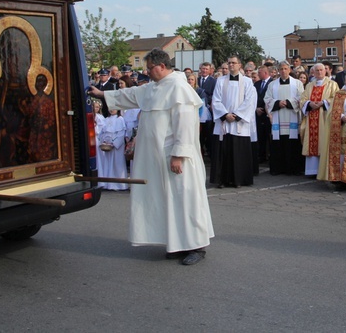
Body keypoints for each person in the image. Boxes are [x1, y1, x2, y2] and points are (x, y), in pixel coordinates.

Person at [87, 48, 213, 266]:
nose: (147, 72)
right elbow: (130, 95)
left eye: (149, 67)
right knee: (167, 201)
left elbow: (185, 126)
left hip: (175, 157)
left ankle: (196, 246)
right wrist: (101, 94)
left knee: (184, 200)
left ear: (161, 66)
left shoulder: (179, 87)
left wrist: (178, 155)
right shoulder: (154, 87)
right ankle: (176, 243)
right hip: (157, 157)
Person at [211, 55, 257, 188]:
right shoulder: (220, 81)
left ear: (239, 65)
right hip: (225, 122)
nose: (231, 65)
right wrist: (225, 115)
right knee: (224, 152)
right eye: (229, 63)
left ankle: (239, 179)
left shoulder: (247, 82)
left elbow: (250, 101)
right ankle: (223, 180)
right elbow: (216, 100)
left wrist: (236, 116)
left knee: (238, 152)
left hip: (239, 123)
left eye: (233, 63)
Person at [264, 61, 305, 175]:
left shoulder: (297, 83)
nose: (283, 71)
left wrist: (287, 102)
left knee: (292, 143)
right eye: (281, 69)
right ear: (278, 70)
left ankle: (293, 169)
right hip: (278, 118)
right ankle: (278, 168)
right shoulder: (272, 84)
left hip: (292, 116)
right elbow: (267, 99)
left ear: (290, 69)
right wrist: (277, 103)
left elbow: (301, 97)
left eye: (285, 68)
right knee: (278, 143)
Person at [300, 63, 339, 176]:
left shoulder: (332, 84)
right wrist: (309, 103)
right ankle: (312, 171)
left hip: (324, 118)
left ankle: (324, 170)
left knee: (323, 141)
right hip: (311, 117)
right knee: (312, 143)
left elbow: (336, 98)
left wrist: (323, 102)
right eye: (317, 70)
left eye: (321, 70)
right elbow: (303, 99)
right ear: (313, 72)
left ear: (325, 71)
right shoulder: (309, 85)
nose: (319, 72)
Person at [97, 108, 128, 191]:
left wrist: (114, 143)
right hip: (107, 145)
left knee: (117, 164)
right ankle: (108, 184)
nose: (112, 110)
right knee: (107, 163)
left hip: (116, 146)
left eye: (113, 108)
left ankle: (119, 185)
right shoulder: (106, 119)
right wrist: (104, 141)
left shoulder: (120, 119)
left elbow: (121, 134)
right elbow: (102, 133)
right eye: (110, 108)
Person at [254, 65, 272, 164]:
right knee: (260, 136)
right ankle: (261, 155)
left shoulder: (272, 83)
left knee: (269, 136)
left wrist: (266, 110)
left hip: (268, 114)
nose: (258, 74)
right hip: (258, 114)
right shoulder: (256, 84)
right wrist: (256, 108)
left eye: (259, 72)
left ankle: (270, 155)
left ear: (265, 73)